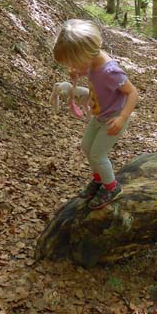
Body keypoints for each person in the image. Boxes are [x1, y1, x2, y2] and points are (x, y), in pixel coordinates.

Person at [53, 18, 138, 209]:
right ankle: (99, 180)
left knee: (98, 153)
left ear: (85, 53)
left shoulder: (110, 71)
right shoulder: (92, 62)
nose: (73, 65)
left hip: (113, 118)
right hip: (99, 115)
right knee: (86, 147)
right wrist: (79, 73)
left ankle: (112, 187)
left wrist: (122, 117)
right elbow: (92, 74)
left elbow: (132, 93)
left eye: (75, 61)